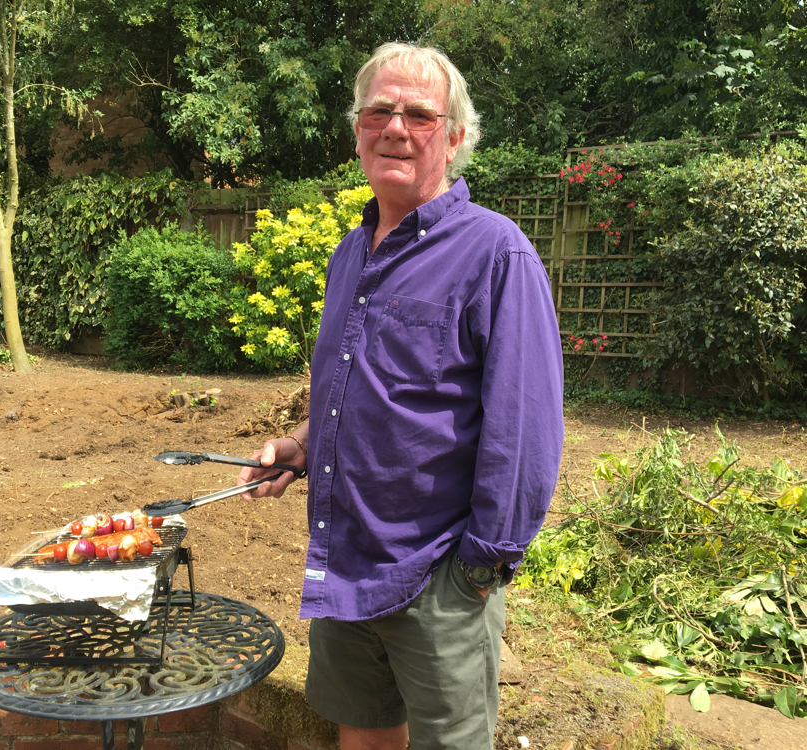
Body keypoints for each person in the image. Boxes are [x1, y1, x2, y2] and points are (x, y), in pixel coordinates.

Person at [237, 42, 564, 750]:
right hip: (346, 558)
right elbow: (351, 383)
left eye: (419, 113)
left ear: (454, 136)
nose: (395, 126)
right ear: (357, 128)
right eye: (379, 110)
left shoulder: (496, 255)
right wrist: (300, 444)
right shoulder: (350, 253)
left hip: (438, 575)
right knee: (365, 735)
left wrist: (480, 568)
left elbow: (526, 431)